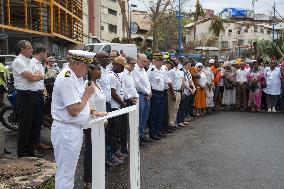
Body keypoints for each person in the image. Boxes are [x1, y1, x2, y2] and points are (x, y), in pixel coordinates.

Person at [51, 50, 96, 189]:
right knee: (65, 174)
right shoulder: (66, 78)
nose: (89, 70)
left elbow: (80, 103)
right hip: (66, 131)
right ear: (77, 63)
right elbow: (74, 110)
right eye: (87, 66)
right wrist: (88, 94)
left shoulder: (75, 77)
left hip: (72, 130)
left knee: (68, 172)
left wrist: (92, 111)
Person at [12, 40, 44, 158]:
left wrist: (37, 76)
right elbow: (31, 77)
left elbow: (37, 74)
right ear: (22, 49)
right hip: (25, 95)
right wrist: (38, 76)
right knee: (25, 124)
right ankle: (22, 152)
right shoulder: (18, 61)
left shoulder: (28, 61)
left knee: (34, 123)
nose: (31, 50)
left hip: (33, 95)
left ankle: (30, 150)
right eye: (29, 48)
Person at [83, 60, 107, 189]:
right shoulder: (88, 85)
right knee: (91, 151)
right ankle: (88, 180)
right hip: (91, 123)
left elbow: (101, 103)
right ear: (91, 71)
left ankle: (97, 174)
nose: (100, 71)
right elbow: (89, 105)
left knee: (98, 150)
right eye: (98, 69)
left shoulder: (98, 84)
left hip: (100, 122)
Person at [30, 45, 51, 150]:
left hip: (40, 93)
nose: (46, 55)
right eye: (46, 53)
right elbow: (35, 77)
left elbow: (41, 78)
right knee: (35, 119)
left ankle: (36, 141)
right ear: (41, 53)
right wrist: (40, 76)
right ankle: (34, 143)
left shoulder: (40, 64)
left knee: (38, 119)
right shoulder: (33, 63)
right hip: (34, 94)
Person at [108, 56, 129, 160]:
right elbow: (113, 93)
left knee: (116, 132)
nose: (123, 68)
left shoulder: (117, 75)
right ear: (116, 65)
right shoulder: (111, 75)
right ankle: (111, 153)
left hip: (118, 106)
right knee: (113, 132)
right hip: (114, 107)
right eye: (122, 66)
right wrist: (123, 103)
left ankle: (115, 151)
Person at [132, 54, 152, 145]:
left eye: (146, 61)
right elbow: (137, 84)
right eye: (143, 61)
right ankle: (137, 137)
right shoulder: (135, 69)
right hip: (139, 94)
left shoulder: (143, 69)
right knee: (139, 117)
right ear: (138, 60)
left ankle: (142, 134)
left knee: (145, 116)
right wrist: (147, 92)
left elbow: (147, 82)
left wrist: (149, 92)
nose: (145, 63)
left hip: (146, 95)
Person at [147, 53, 166, 140]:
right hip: (154, 94)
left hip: (161, 93)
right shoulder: (151, 70)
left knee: (160, 113)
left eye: (161, 61)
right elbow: (148, 82)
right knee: (154, 114)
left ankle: (158, 131)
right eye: (159, 61)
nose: (161, 62)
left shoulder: (162, 69)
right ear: (154, 61)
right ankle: (153, 133)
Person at [167, 59, 184, 127]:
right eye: (176, 60)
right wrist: (172, 93)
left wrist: (181, 90)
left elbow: (180, 81)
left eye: (178, 60)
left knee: (176, 109)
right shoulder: (171, 71)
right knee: (171, 109)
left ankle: (173, 122)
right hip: (173, 91)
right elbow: (169, 83)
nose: (177, 61)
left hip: (179, 91)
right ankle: (170, 123)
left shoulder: (179, 71)